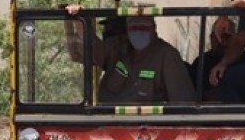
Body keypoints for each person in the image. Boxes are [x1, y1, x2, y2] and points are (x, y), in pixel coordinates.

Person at [65, 6, 196, 103]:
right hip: (109, 125)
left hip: (148, 129)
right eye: (134, 28)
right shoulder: (118, 47)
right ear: (127, 30)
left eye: (143, 28)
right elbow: (92, 53)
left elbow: (183, 102)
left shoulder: (167, 56)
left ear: (154, 28)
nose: (138, 32)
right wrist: (82, 24)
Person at [190, 15, 245, 101]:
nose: (222, 41)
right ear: (211, 38)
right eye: (217, 35)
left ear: (235, 38)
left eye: (227, 36)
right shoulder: (201, 62)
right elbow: (194, 93)